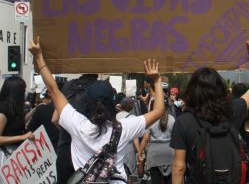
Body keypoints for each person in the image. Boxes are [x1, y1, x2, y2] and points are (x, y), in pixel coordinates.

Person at [29, 36, 165, 183]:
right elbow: (158, 111)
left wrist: (39, 57)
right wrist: (157, 80)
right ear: (113, 105)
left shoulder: (78, 126)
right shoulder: (124, 128)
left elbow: (53, 90)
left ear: (87, 103)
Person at [170, 41, 249, 183]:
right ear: (221, 89)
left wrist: (156, 80)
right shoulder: (231, 111)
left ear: (192, 91)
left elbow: (179, 167)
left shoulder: (183, 121)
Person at [0, 77, 35, 166]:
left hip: (16, 155)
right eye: (23, 90)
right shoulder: (3, 112)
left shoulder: (14, 109)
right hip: (6, 157)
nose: (25, 93)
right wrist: (22, 137)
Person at [139, 112, 175, 184]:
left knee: (155, 181)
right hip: (169, 153)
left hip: (154, 154)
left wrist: (139, 153)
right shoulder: (172, 119)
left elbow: (146, 139)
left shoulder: (151, 119)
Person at [116, 97, 141, 177]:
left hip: (116, 150)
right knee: (128, 174)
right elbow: (135, 138)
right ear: (130, 106)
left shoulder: (114, 116)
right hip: (128, 150)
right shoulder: (132, 118)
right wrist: (139, 151)